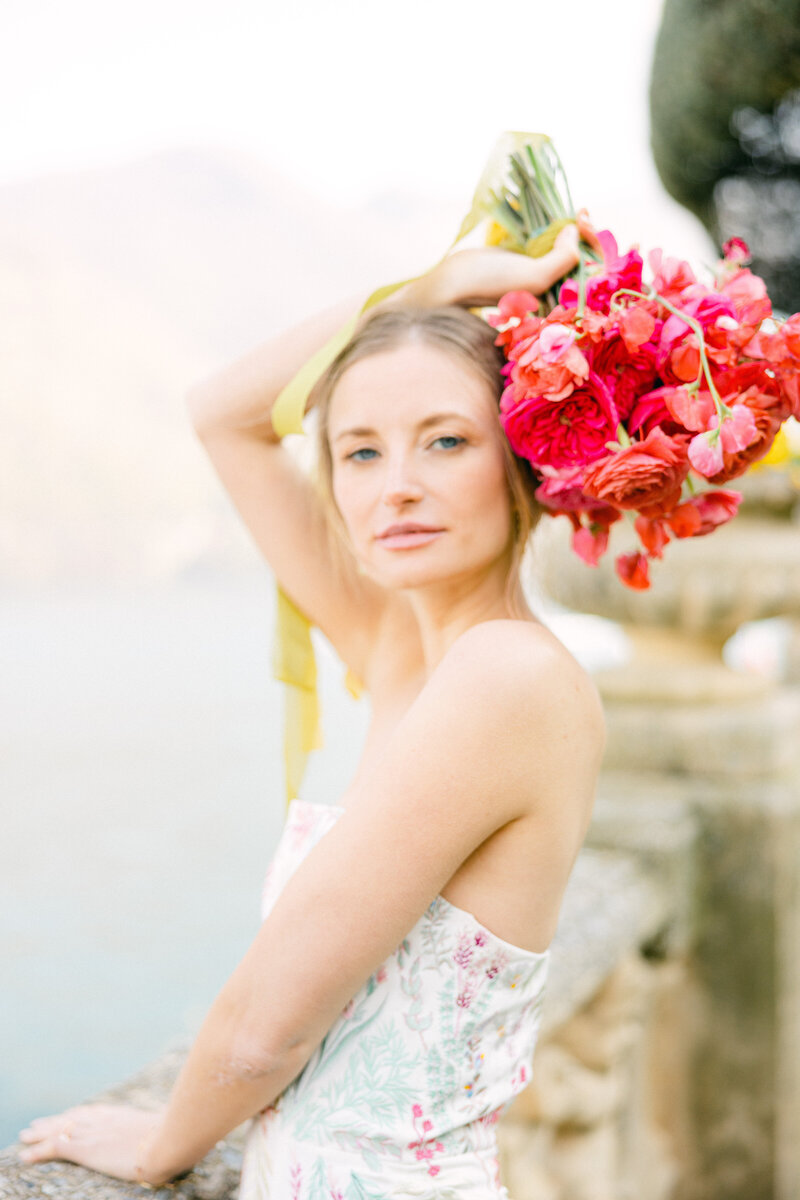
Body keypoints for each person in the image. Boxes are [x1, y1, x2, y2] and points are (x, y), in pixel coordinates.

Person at [17, 220, 606, 1197]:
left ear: (523, 465)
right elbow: (222, 415)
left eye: (445, 441)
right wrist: (437, 281)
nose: (396, 489)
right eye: (358, 453)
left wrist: (166, 1144)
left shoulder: (504, 677)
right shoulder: (396, 645)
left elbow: (265, 1029)